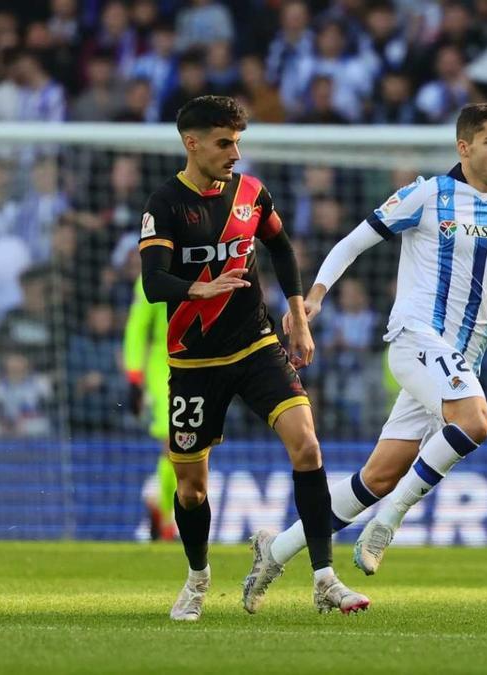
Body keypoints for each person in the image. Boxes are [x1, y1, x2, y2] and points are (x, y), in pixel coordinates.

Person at [243, 103, 487, 611]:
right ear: (464, 146)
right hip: (415, 339)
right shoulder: (428, 195)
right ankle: (388, 523)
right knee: (476, 420)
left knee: (376, 476)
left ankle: (275, 548)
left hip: (460, 357)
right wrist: (313, 297)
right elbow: (352, 242)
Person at [137, 95, 367, 620]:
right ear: (191, 143)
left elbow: (281, 248)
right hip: (194, 364)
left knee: (307, 445)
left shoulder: (252, 193)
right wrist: (203, 287)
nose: (234, 152)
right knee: (191, 490)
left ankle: (325, 578)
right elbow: (153, 283)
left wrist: (298, 314)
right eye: (224, 143)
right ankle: (197, 578)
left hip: (257, 344)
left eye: (238, 141)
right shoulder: (165, 204)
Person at [123, 277, 177, 541]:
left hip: (204, 360)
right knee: (173, 440)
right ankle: (167, 521)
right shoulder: (151, 274)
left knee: (195, 446)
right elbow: (137, 325)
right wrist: (134, 375)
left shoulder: (208, 260)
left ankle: (162, 506)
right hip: (163, 362)